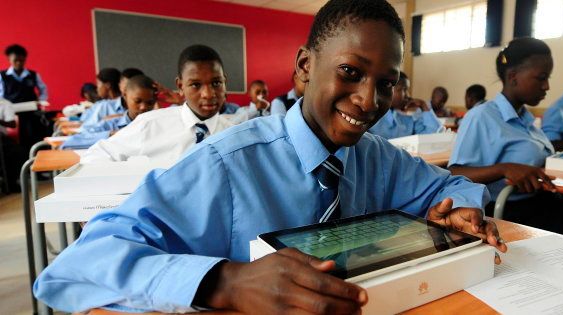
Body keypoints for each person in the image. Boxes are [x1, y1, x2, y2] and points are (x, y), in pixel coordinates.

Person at [33, 1, 506, 313]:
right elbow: (78, 265)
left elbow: (449, 185)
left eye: (386, 83)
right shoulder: (224, 166)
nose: (369, 99)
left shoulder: (375, 156)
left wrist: (464, 209)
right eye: (350, 72)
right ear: (304, 67)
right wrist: (225, 282)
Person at [448, 37, 558, 228]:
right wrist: (504, 168)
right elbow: (455, 173)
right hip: (511, 211)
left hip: (541, 202)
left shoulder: (526, 119)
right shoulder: (481, 116)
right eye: (541, 78)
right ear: (513, 77)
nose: (547, 86)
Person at [79, 45, 234, 165]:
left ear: (224, 82)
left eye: (216, 83)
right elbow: (95, 156)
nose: (208, 93)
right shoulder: (149, 125)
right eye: (195, 85)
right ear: (180, 86)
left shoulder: (235, 133)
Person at [1, 44, 50, 149]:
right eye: (15, 60)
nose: (19, 63)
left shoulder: (32, 75)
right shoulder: (3, 76)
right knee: (15, 143)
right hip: (11, 114)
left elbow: (43, 89)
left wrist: (41, 101)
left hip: (31, 113)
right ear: (9, 60)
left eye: (22, 60)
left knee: (32, 138)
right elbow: (1, 96)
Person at [369, 71, 442, 139]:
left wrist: (424, 107)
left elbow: (433, 134)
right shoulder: (372, 116)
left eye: (407, 90)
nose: (408, 95)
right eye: (403, 90)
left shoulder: (407, 117)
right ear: (388, 90)